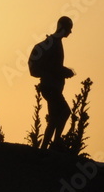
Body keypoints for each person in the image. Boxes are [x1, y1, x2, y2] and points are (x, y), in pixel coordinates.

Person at [32, 16, 75, 150]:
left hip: (50, 87)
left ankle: (45, 147)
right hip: (50, 87)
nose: (70, 32)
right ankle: (56, 142)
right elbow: (52, 67)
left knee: (54, 118)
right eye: (69, 29)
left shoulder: (54, 43)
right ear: (62, 28)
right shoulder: (53, 43)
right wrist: (65, 72)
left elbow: (52, 66)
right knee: (65, 112)